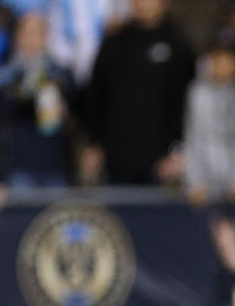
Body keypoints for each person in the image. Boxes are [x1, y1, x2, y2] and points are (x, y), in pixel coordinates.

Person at [80, 0, 195, 184]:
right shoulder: (114, 43)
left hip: (163, 165)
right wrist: (94, 144)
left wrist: (178, 150)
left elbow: (186, 103)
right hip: (116, 160)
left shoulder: (178, 45)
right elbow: (96, 98)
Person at [0, 11, 75, 206]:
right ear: (17, 37)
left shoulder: (62, 76)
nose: (32, 40)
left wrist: (65, 112)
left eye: (38, 33)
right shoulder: (0, 79)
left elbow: (73, 123)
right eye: (27, 33)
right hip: (15, 172)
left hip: (54, 170)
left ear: (46, 37)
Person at [183, 39, 235, 206]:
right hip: (203, 187)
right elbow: (193, 137)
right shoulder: (197, 94)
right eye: (217, 61)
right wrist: (195, 181)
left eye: (227, 62)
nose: (222, 67)